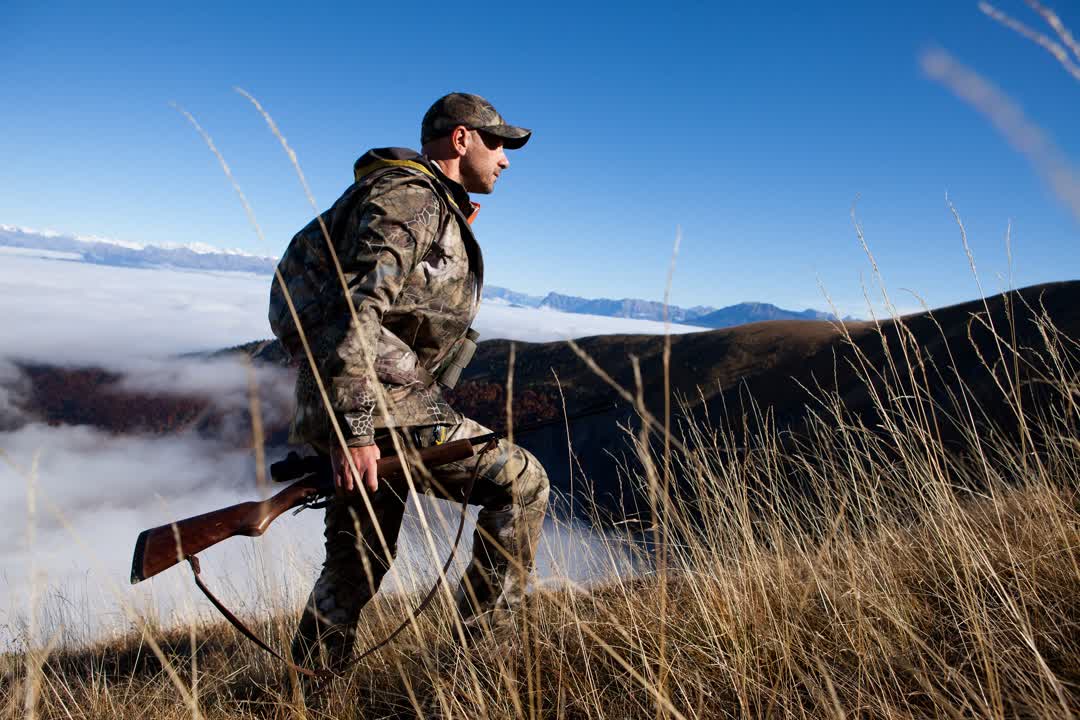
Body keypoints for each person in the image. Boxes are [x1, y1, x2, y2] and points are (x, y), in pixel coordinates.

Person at [268, 92, 550, 672]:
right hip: (377, 408)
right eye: (496, 142)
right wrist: (357, 429)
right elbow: (358, 306)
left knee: (359, 559)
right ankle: (483, 668)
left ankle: (308, 685)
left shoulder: (417, 197)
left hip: (357, 403)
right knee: (523, 483)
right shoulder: (411, 198)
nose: (505, 158)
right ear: (461, 138)